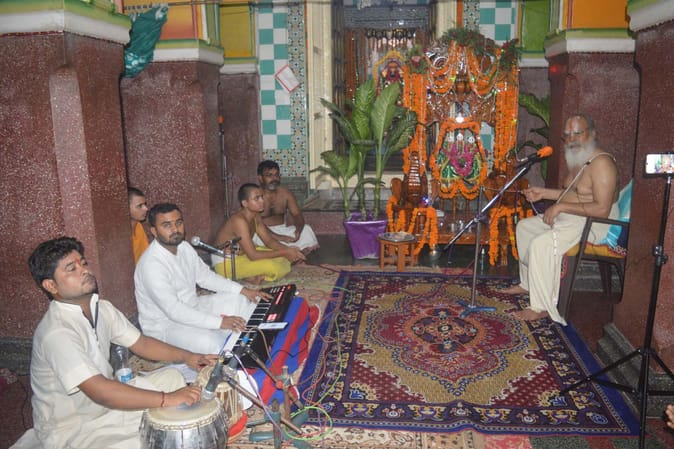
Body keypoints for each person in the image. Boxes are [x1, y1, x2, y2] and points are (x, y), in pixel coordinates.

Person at [11, 237, 216, 449]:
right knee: (145, 442)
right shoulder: (56, 333)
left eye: (84, 263)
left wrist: (187, 356)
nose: (84, 270)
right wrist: (165, 399)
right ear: (51, 285)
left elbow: (142, 344)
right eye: (72, 268)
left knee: (172, 377)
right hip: (75, 427)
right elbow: (100, 391)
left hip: (107, 406)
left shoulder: (102, 308)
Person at [502, 114, 619, 325]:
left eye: (577, 133)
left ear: (593, 134)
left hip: (595, 223)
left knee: (542, 244)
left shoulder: (602, 163)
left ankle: (541, 307)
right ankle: (528, 284)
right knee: (525, 227)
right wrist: (543, 193)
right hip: (574, 216)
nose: (571, 139)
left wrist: (560, 207)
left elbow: (601, 209)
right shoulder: (579, 158)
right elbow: (576, 194)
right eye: (567, 135)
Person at [134, 203, 272, 355]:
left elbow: (206, 278)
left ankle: (243, 339)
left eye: (178, 223)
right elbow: (174, 311)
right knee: (213, 344)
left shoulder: (184, 247)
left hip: (193, 306)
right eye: (167, 225)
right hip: (166, 326)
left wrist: (243, 290)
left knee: (240, 299)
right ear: (154, 231)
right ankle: (233, 344)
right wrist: (220, 322)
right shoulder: (151, 265)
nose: (175, 229)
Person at [213, 183, 306, 283]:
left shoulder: (256, 216)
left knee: (283, 259)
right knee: (274, 267)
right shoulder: (239, 221)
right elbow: (253, 255)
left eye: (262, 197)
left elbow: (269, 241)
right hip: (226, 263)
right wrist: (285, 252)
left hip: (243, 254)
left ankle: (249, 275)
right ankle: (247, 277)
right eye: (256, 198)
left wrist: (288, 249)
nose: (262, 201)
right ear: (245, 203)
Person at [254, 160, 319, 254]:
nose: (274, 178)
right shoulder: (255, 195)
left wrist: (298, 230)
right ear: (260, 178)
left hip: (282, 230)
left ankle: (289, 252)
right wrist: (280, 238)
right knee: (254, 236)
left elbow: (297, 215)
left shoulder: (285, 193)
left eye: (276, 175)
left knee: (306, 229)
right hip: (263, 233)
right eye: (269, 175)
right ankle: (289, 252)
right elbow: (257, 224)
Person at [128, 187, 149, 264]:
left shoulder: (138, 226)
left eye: (145, 204)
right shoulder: (120, 234)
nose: (146, 209)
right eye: (140, 206)